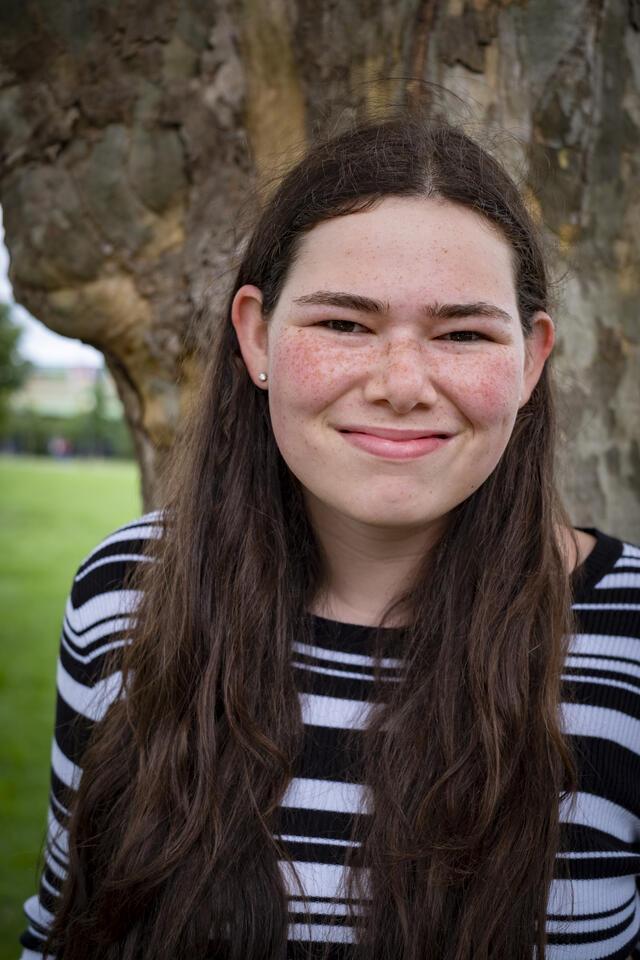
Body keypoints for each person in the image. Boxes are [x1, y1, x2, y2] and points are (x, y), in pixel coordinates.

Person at [19, 112, 640, 960]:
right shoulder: (126, 592)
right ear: (256, 334)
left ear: (530, 362)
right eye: (344, 324)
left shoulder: (630, 634)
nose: (401, 384)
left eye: (462, 333)